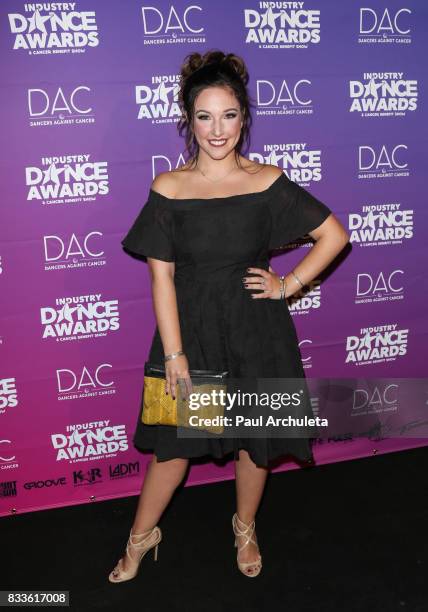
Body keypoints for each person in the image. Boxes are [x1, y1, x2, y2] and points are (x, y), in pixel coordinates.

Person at [109, 50, 349, 582]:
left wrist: (288, 285)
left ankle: (245, 527)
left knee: (254, 443)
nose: (217, 130)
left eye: (229, 115)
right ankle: (141, 538)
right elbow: (161, 278)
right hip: (189, 335)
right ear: (187, 120)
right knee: (172, 452)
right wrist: (174, 354)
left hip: (255, 331)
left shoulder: (268, 181)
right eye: (204, 116)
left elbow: (334, 235)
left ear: (245, 117)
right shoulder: (168, 188)